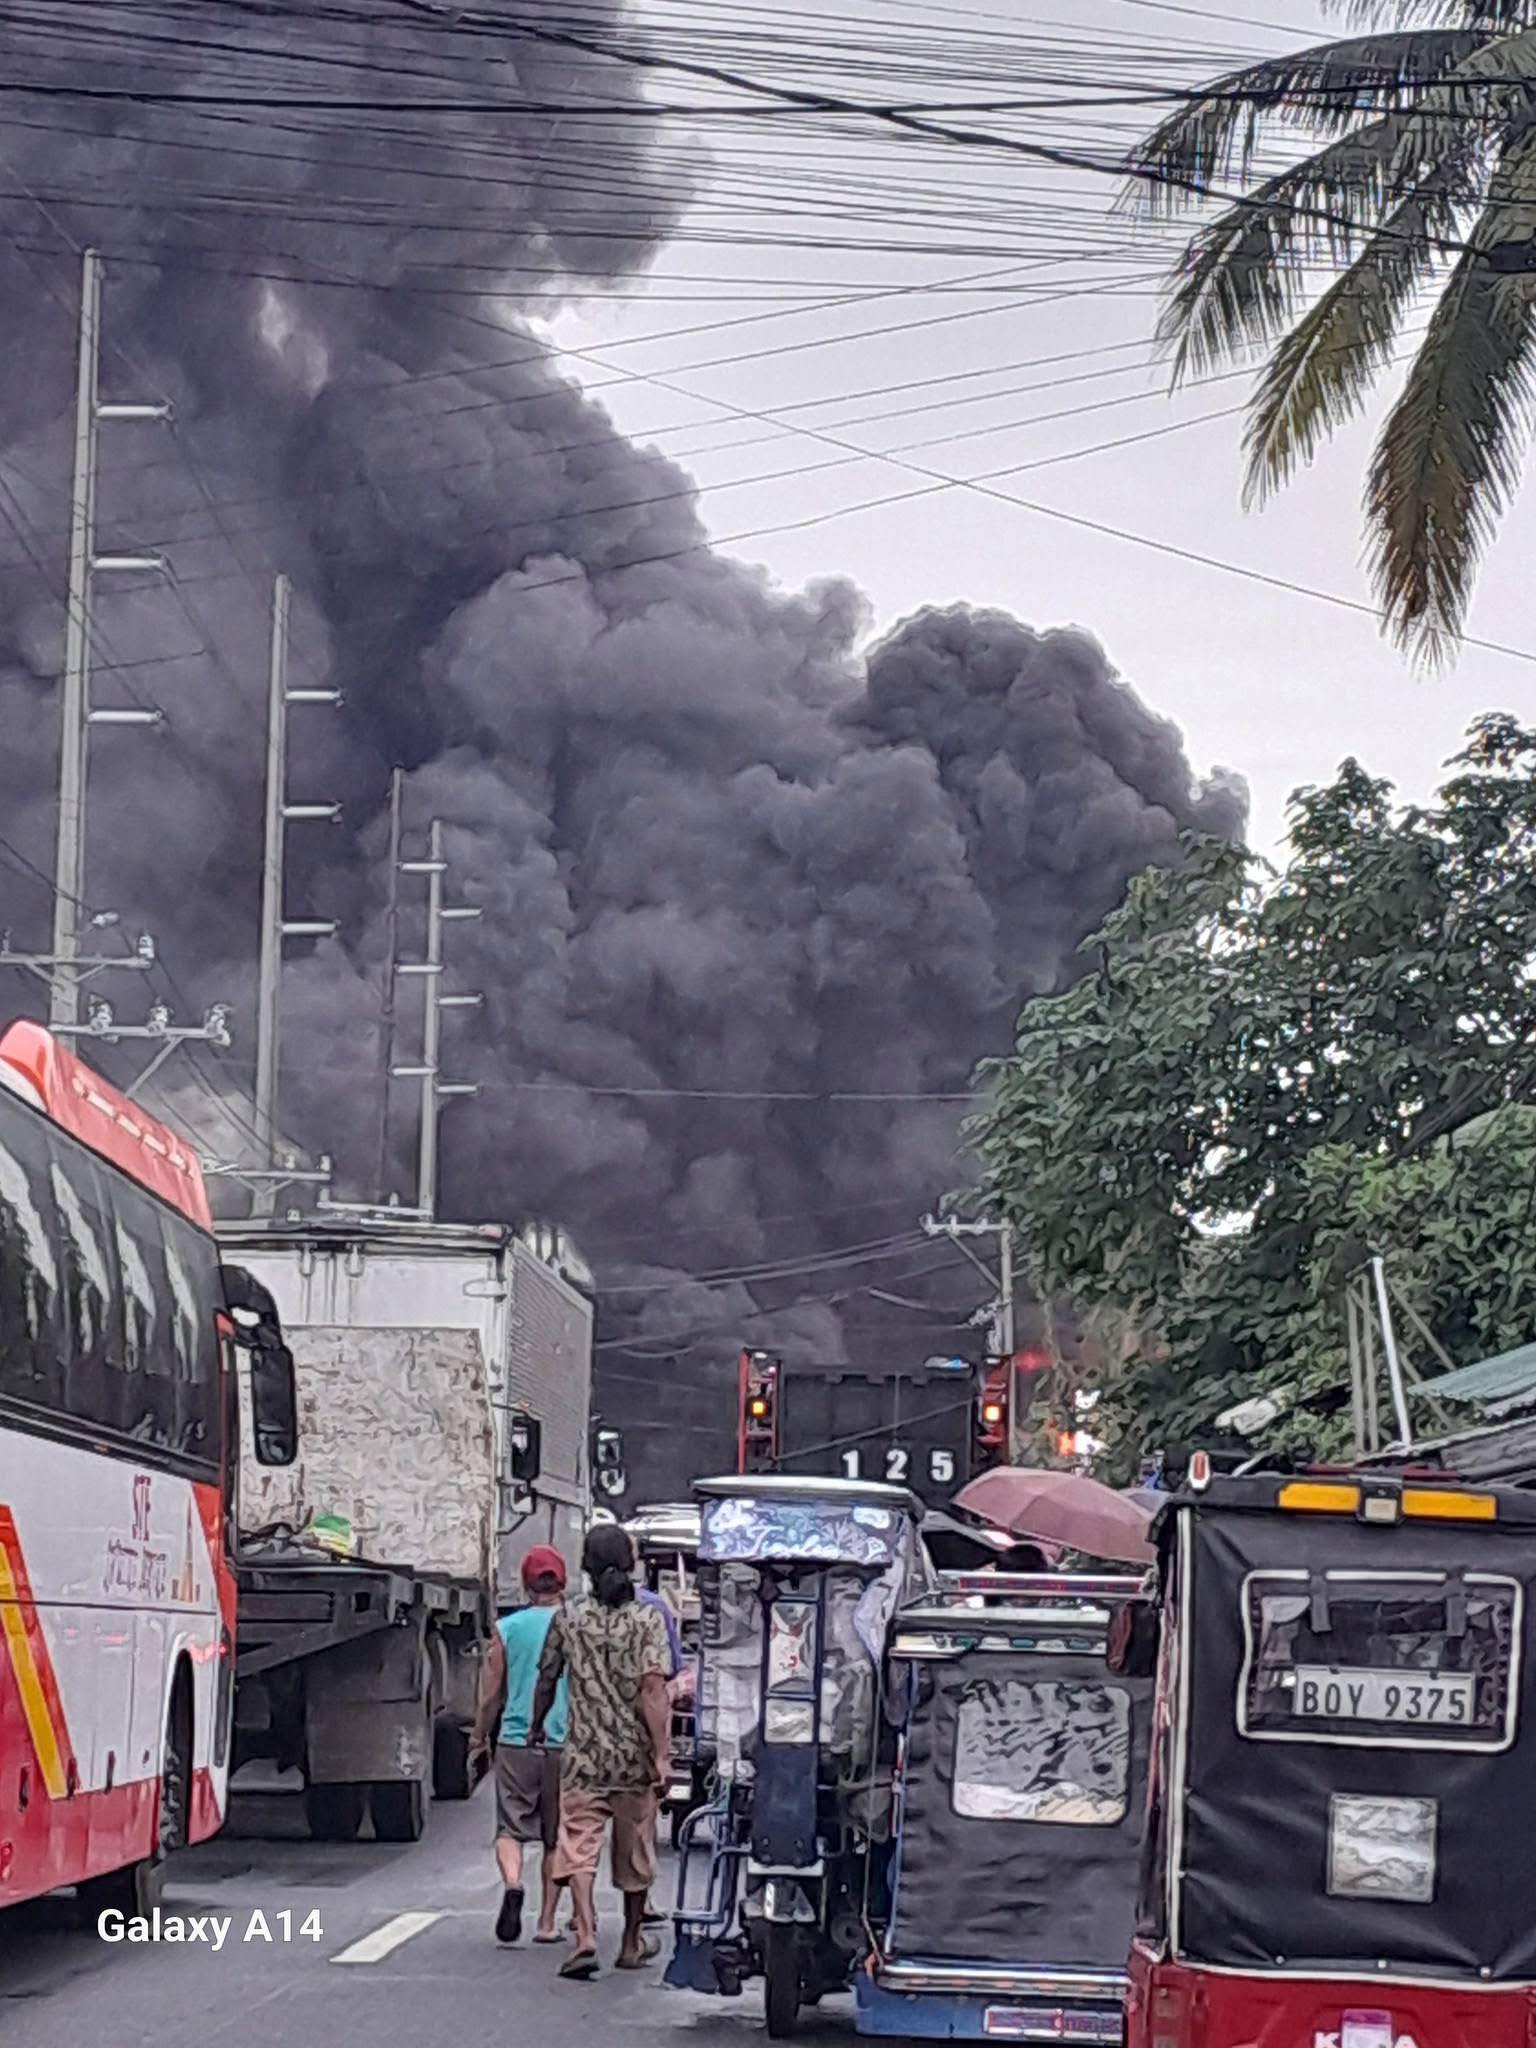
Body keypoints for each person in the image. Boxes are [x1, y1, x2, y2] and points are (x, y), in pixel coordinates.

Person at [530, 1522, 671, 1981]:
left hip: (584, 1758)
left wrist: (536, 1725)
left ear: (585, 1568)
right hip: (634, 1760)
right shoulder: (649, 1618)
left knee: (578, 1847)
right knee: (633, 1854)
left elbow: (547, 1677)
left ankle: (586, 1935)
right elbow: (654, 1690)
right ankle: (630, 1943)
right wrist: (663, 1755)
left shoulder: (568, 1618)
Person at [470, 1545, 570, 1947]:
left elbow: (492, 1694)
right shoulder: (576, 1628)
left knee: (510, 1828)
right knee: (555, 1836)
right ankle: (547, 1923)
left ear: (527, 1586)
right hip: (563, 1740)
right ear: (563, 1584)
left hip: (515, 1740)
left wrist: (479, 1737)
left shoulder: (507, 1629)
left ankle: (513, 1884)